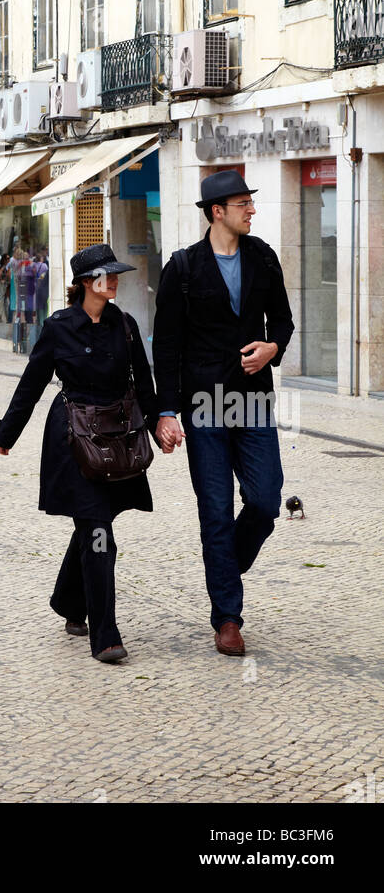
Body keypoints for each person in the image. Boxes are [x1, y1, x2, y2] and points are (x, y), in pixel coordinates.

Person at [0, 243, 164, 664]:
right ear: (87, 282)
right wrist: (8, 432)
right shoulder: (59, 326)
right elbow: (32, 383)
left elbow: (144, 382)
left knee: (94, 524)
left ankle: (68, 603)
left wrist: (162, 426)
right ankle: (105, 636)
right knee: (98, 533)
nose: (117, 280)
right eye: (109, 274)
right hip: (73, 441)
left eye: (117, 273)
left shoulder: (124, 325)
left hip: (117, 439)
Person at [152, 169, 295, 659]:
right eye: (243, 204)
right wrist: (165, 411)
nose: (252, 210)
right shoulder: (184, 267)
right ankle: (228, 618)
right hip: (202, 405)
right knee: (214, 511)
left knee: (265, 501)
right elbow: (166, 346)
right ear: (217, 212)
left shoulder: (262, 257)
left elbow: (283, 320)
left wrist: (272, 348)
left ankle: (224, 568)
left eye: (250, 204)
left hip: (253, 400)